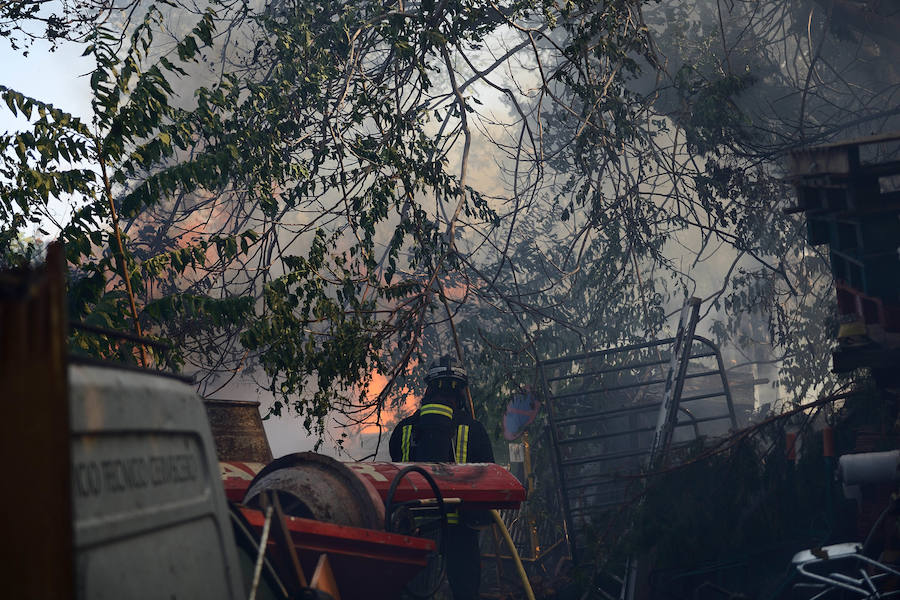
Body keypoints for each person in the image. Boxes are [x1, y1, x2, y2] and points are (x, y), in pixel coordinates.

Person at [389, 355, 494, 600]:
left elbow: (396, 473)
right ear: (461, 393)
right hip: (461, 531)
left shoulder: (403, 430)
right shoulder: (474, 430)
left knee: (414, 591)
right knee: (465, 592)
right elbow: (489, 480)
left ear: (429, 389)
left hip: (413, 527)